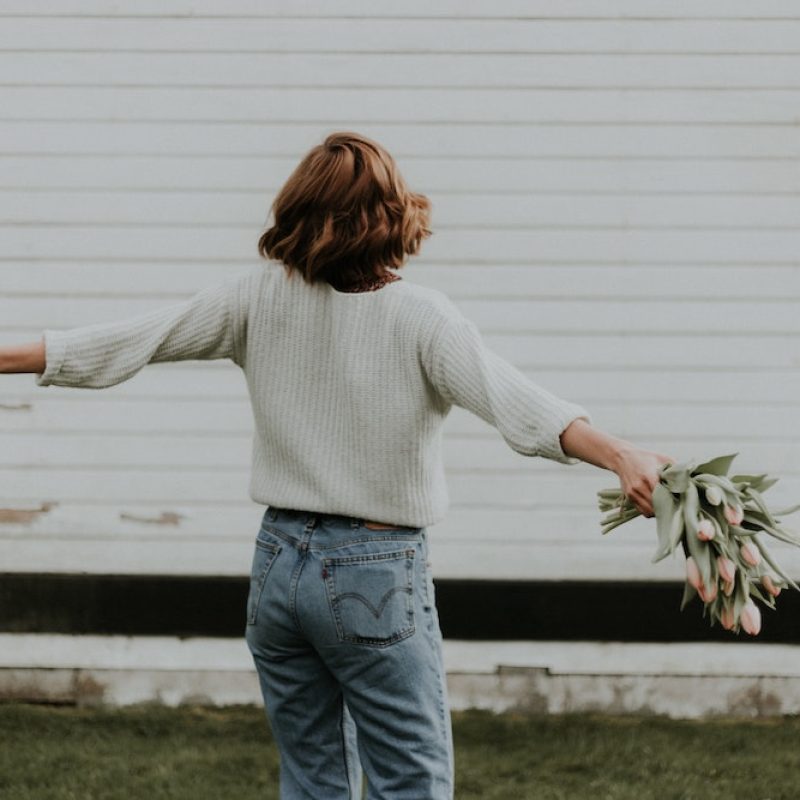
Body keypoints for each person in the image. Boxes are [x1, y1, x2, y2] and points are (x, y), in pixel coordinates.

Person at [1, 130, 674, 799]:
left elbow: (129, 341)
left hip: (276, 567)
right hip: (373, 575)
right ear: (392, 216)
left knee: (312, 781)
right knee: (411, 781)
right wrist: (619, 454)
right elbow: (520, 407)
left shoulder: (255, 298)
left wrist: (10, 355)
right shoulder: (422, 318)